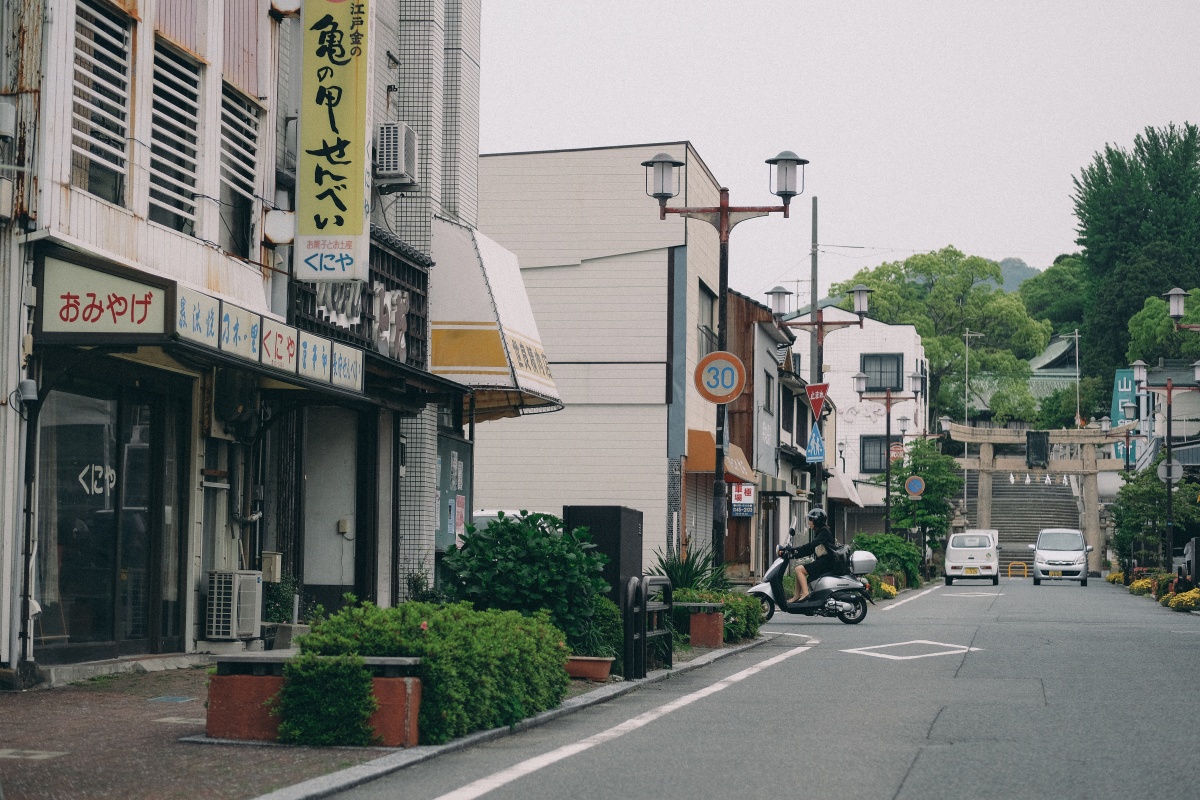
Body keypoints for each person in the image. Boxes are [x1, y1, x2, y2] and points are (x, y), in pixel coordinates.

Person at [787, 507, 838, 603]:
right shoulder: (821, 531)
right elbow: (810, 550)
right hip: (824, 561)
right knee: (799, 569)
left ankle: (805, 593)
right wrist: (793, 554)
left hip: (827, 562)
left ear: (817, 521)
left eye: (811, 520)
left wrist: (794, 550)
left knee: (799, 570)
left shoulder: (824, 532)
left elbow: (810, 546)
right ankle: (797, 596)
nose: (809, 522)